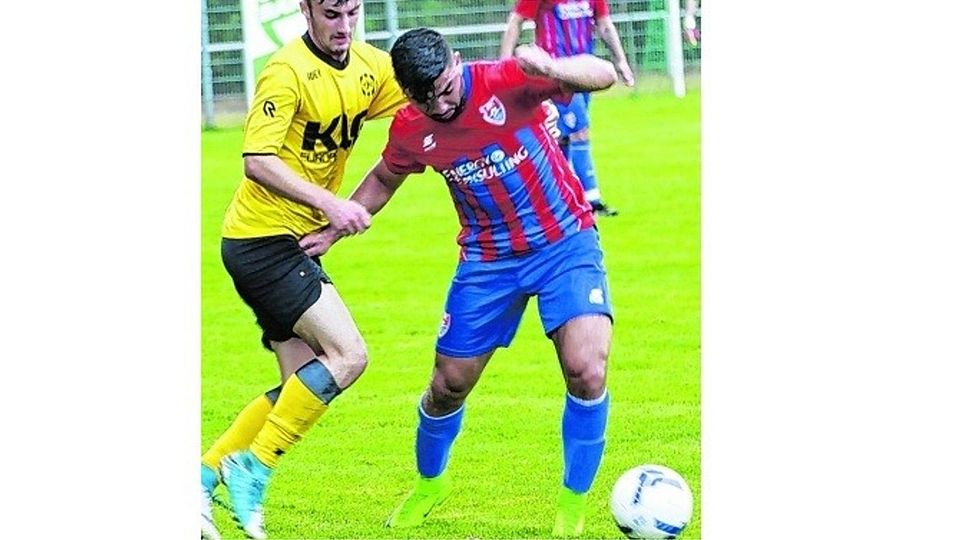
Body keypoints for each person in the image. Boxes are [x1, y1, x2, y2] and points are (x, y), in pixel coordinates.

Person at [300, 28, 616, 537]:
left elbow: (601, 75)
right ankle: (430, 484)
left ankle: (571, 509)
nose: (441, 104)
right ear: (407, 93)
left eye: (447, 87)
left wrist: (551, 68)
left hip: (564, 243)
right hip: (487, 261)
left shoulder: (509, 79)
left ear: (458, 62)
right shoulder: (410, 128)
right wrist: (336, 229)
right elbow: (385, 177)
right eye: (425, 97)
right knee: (447, 386)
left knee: (586, 370)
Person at [199, 1, 407, 538]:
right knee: (349, 355)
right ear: (306, 10)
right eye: (332, 14)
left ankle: (201, 477)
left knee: (299, 383)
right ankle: (253, 468)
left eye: (353, 12)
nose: (343, 26)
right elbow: (256, 160)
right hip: (262, 241)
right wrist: (332, 205)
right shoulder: (286, 71)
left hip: (289, 245)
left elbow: (423, 95)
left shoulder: (367, 65)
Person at [500, 0, 634, 217]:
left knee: (560, 135)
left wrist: (621, 61)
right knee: (579, 131)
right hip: (556, 75)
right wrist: (504, 64)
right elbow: (516, 20)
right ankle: (592, 200)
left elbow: (604, 24)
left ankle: (560, 196)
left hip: (587, 72)